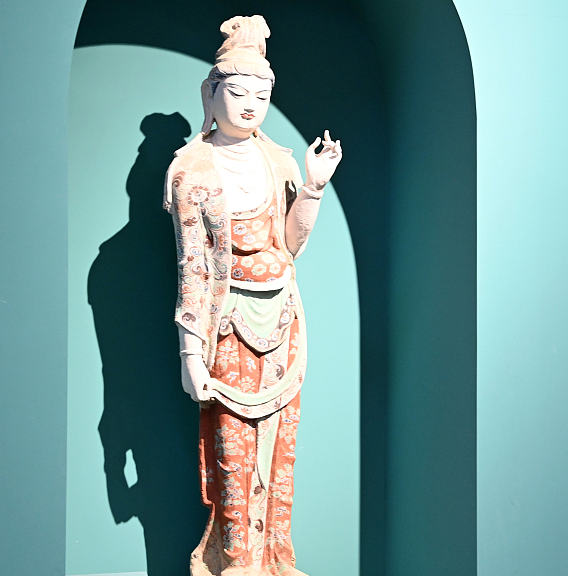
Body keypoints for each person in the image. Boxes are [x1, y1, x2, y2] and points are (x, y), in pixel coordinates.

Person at [165, 15, 342, 576]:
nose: (250, 105)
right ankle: (236, 564)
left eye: (261, 94)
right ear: (210, 93)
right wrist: (190, 352)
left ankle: (275, 563)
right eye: (237, 92)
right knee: (232, 459)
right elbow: (192, 268)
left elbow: (289, 246)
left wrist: (313, 185)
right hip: (226, 329)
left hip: (283, 324)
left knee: (278, 460)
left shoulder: (281, 161)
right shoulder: (191, 170)